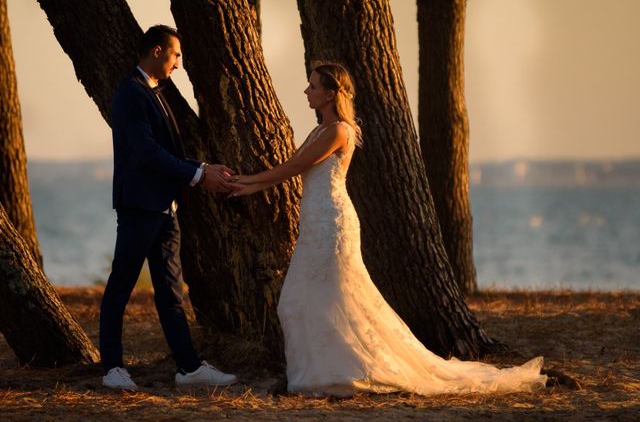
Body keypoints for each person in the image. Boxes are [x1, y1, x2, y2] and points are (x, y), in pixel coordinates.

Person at [229, 62, 547, 396]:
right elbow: (297, 167)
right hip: (316, 221)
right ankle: (322, 371)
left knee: (322, 298)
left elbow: (294, 167)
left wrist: (249, 183)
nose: (307, 92)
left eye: (312, 86)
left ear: (331, 93)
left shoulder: (339, 131)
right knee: (306, 300)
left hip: (333, 223)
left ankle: (332, 374)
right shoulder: (319, 130)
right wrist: (249, 185)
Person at [100, 25, 238, 390]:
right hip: (140, 207)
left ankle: (189, 369)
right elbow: (146, 154)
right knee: (121, 286)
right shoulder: (131, 93)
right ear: (158, 51)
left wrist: (203, 168)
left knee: (170, 290)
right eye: (176, 55)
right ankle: (112, 369)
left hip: (165, 208)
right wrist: (198, 174)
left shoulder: (154, 93)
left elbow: (167, 153)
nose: (179, 63)